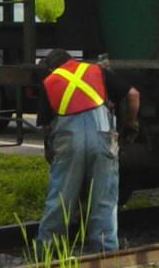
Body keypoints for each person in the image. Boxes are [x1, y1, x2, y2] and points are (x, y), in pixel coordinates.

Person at [36, 49, 140, 254]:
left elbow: (46, 127)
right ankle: (104, 250)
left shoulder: (50, 81)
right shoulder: (96, 71)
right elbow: (133, 95)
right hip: (102, 136)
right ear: (72, 60)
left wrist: (49, 151)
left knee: (61, 197)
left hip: (68, 140)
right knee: (104, 197)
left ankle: (48, 250)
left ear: (51, 67)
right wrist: (130, 124)